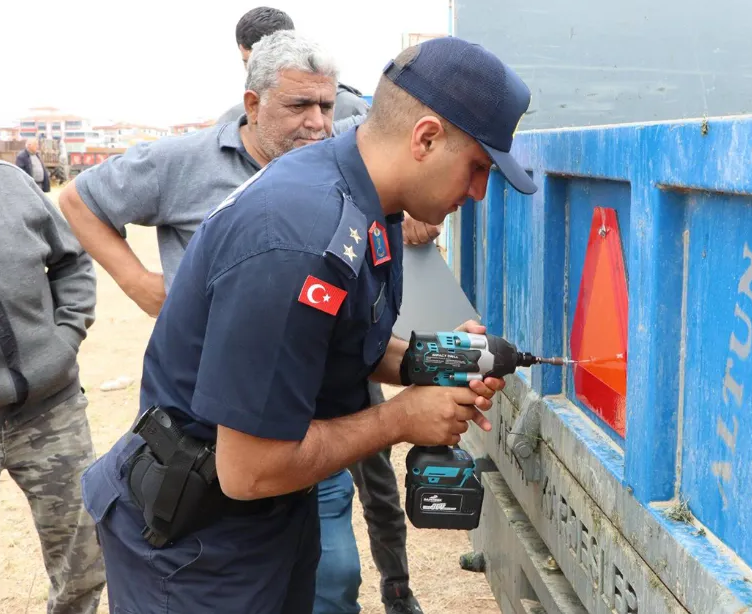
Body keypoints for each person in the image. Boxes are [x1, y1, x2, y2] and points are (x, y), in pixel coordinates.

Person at [78, 35, 537, 614]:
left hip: (264, 520)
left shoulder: (368, 201)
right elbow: (249, 468)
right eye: (477, 167)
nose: (478, 191)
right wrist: (401, 418)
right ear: (425, 138)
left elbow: (335, 341)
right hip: (196, 549)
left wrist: (427, 360)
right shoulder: (296, 236)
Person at [0, 159, 103, 613]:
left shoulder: (6, 181)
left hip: (51, 410)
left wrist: (65, 339)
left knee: (85, 562)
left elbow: (72, 261)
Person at [217, 7, 369, 127]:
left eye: (267, 63)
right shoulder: (232, 121)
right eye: (247, 63)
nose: (316, 123)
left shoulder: (351, 109)